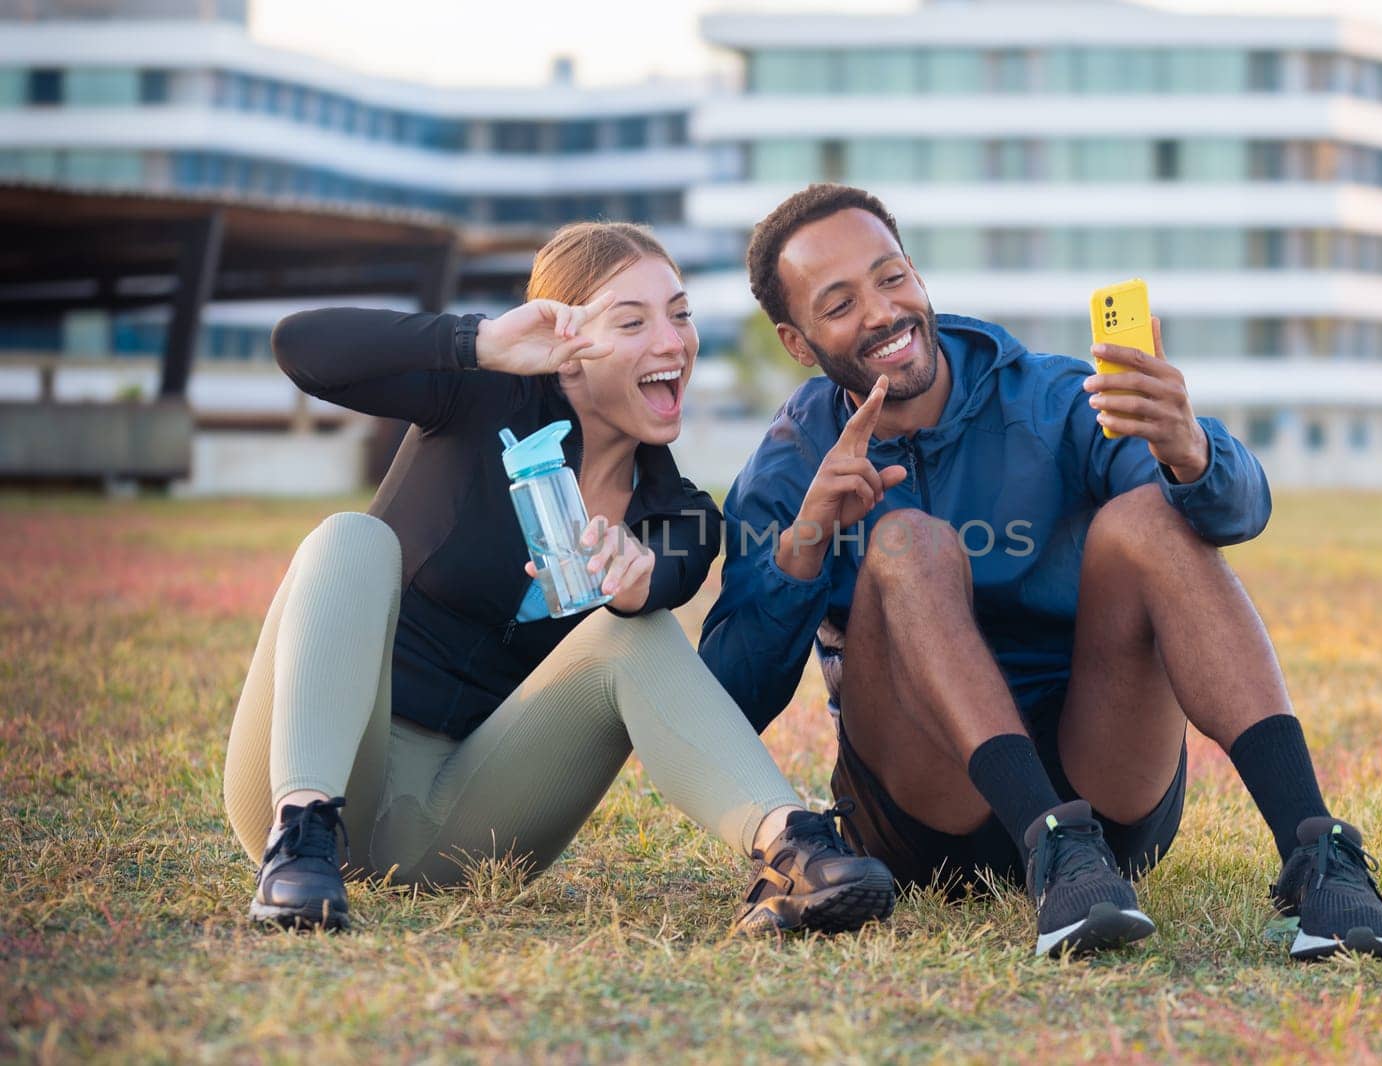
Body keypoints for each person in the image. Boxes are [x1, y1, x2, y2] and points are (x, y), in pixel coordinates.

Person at [699, 184, 1382, 961]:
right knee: (907, 544)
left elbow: (1232, 516)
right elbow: (727, 705)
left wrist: (1188, 450)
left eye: (891, 276)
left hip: (1103, 792)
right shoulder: (789, 463)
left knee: (1149, 515)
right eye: (839, 304)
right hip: (928, 814)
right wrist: (802, 545)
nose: (881, 312)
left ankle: (1319, 853)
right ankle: (1049, 843)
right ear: (798, 343)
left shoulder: (1052, 397)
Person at [223, 221, 894, 935]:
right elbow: (301, 346)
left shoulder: (684, 514)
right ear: (565, 349)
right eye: (632, 321)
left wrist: (636, 586)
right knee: (351, 538)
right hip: (318, 775)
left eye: (681, 314)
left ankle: (794, 848)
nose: (672, 342)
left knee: (631, 631)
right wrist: (476, 343)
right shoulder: (475, 401)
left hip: (463, 829)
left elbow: (668, 575)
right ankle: (300, 837)